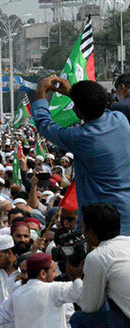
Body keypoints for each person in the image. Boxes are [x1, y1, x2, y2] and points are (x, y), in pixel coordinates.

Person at [31, 76, 130, 234]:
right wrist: (73, 94)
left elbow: (44, 125)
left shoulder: (82, 137)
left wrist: (41, 93)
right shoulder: (120, 120)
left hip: (102, 222)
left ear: (78, 111)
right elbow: (97, 108)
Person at [69, 203, 130, 328]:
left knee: (79, 320)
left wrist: (77, 279)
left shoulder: (98, 257)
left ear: (91, 232)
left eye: (83, 227)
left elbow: (90, 308)